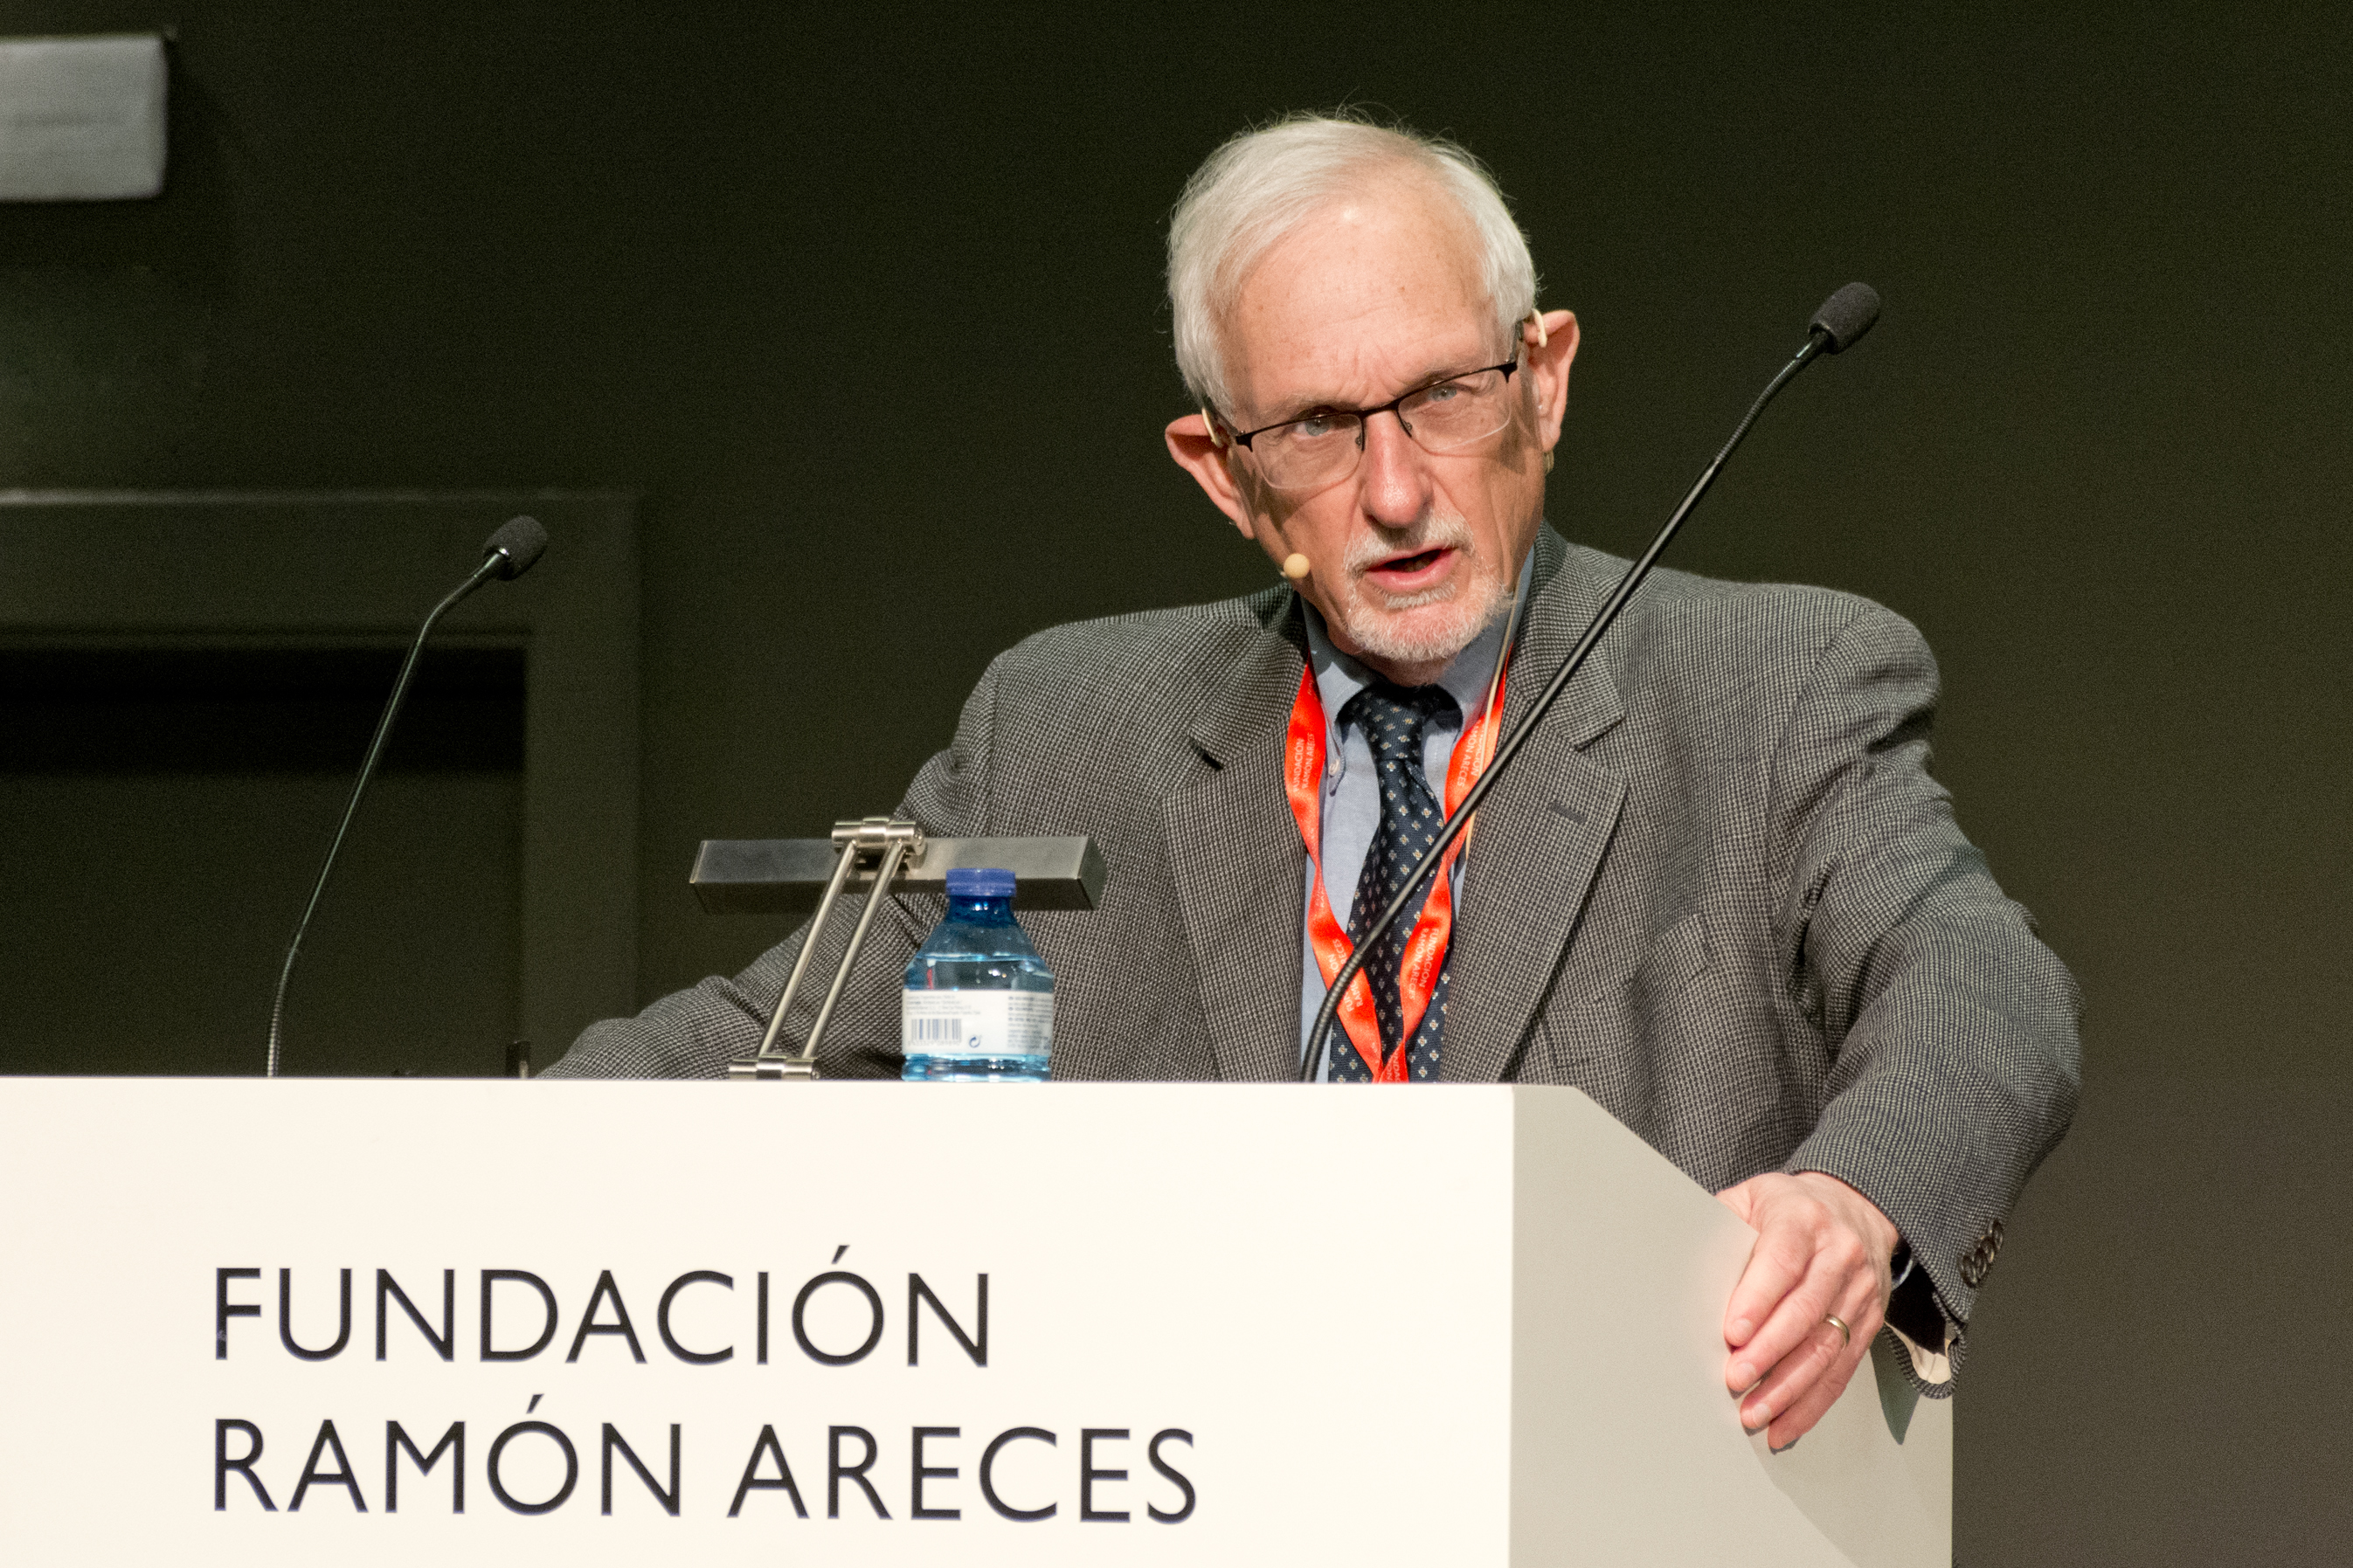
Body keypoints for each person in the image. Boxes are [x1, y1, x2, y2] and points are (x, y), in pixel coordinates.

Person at [543, 113, 2079, 1448]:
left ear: (1543, 379)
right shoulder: (1063, 723)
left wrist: (1850, 1201)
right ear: (1223, 470)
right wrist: (441, 1172)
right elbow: (764, 1035)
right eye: (1318, 430)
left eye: (1445, 394)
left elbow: (1976, 986)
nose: (1395, 491)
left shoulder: (1770, 686)